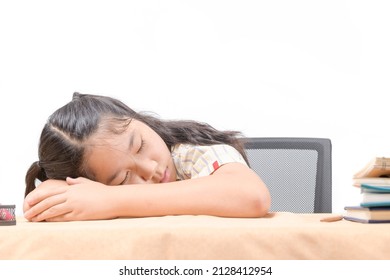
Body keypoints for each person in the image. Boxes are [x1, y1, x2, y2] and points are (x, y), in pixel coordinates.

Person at [23, 92, 270, 222]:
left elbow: (252, 196)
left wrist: (111, 198)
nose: (150, 168)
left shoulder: (191, 152)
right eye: (123, 178)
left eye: (140, 145)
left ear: (137, 118)